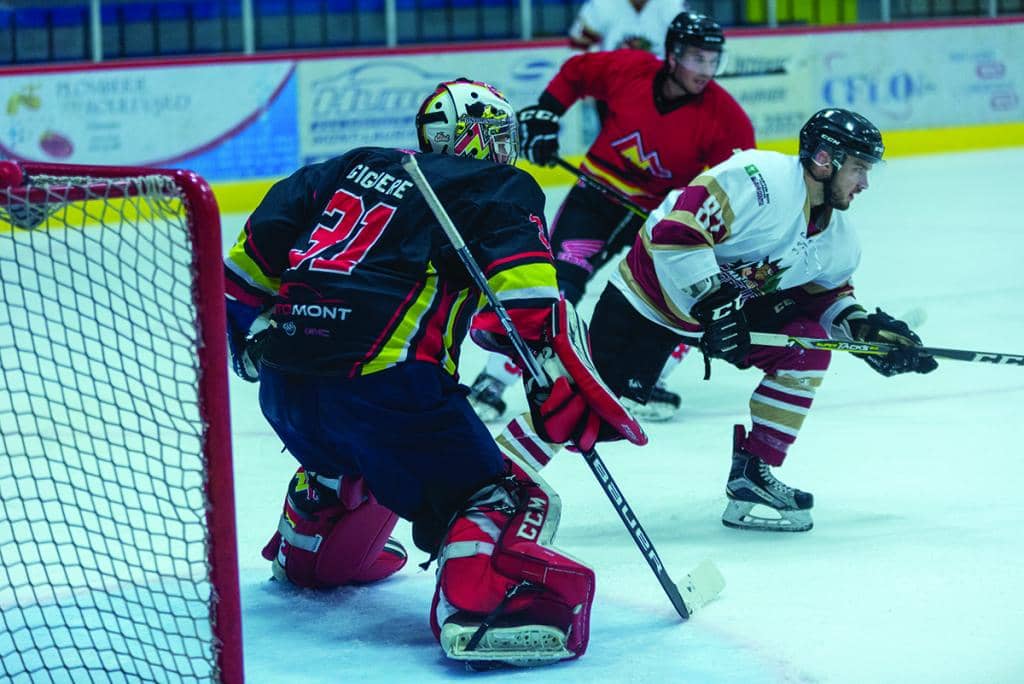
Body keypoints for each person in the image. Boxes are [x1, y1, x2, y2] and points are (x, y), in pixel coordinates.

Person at [222, 78, 645, 667]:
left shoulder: (349, 165)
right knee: (498, 494)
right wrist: (557, 384)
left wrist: (247, 336)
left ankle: (309, 553)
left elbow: (243, 273)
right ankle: (482, 608)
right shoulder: (495, 184)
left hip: (284, 387)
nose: (504, 149)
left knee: (345, 459)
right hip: (389, 392)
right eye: (497, 134)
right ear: (472, 136)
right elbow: (527, 308)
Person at [574, 108, 937, 532]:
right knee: (587, 418)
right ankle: (505, 477)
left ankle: (752, 474)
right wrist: (713, 303)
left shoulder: (839, 238)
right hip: (648, 300)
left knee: (807, 348)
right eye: (858, 168)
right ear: (824, 159)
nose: (864, 184)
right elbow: (675, 233)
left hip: (720, 313)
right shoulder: (757, 177)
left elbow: (828, 296)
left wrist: (867, 332)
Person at [467, 11, 755, 424]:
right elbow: (576, 72)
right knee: (554, 285)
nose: (706, 71)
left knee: (691, 295)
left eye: (713, 60)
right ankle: (495, 380)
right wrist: (548, 113)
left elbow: (732, 187)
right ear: (672, 55)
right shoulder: (630, 70)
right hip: (595, 202)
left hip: (659, 221)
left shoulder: (726, 120)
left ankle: (646, 376)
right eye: (696, 58)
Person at [569, 0, 688, 54]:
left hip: (659, 89)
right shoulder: (601, 4)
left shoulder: (674, 5)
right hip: (611, 88)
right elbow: (578, 47)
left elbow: (686, 50)